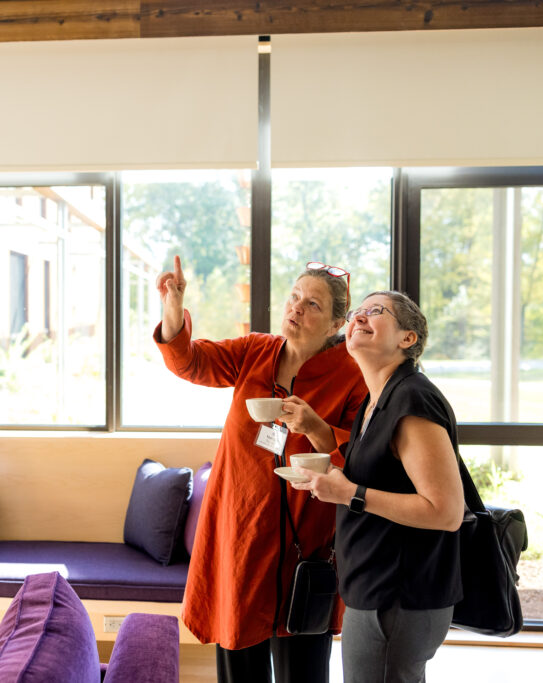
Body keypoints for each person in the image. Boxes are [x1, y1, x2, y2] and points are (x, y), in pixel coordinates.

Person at [154, 255, 368, 683]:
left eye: (313, 305)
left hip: (306, 542)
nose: (295, 309)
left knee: (302, 669)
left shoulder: (351, 375)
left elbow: (361, 455)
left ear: (335, 325)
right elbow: (189, 363)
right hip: (242, 536)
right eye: (294, 297)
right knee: (240, 664)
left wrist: (316, 427)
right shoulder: (255, 351)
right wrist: (173, 307)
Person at [292, 291, 464, 683]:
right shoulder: (378, 400)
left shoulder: (412, 399)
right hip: (377, 589)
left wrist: (348, 494)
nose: (360, 318)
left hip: (397, 596)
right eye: (356, 313)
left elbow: (446, 512)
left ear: (408, 339)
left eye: (376, 311)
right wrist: (318, 442)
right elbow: (369, 474)